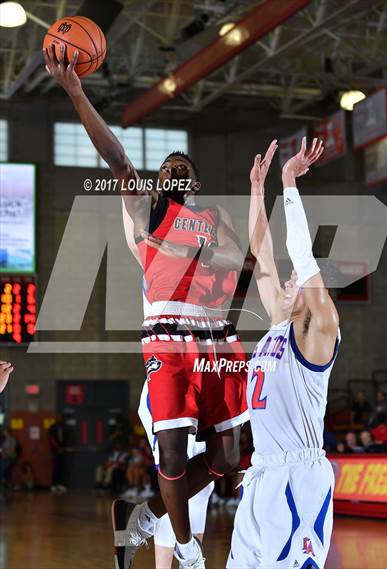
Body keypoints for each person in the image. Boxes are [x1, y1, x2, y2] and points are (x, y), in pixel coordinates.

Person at [43, 45, 248, 569]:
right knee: (176, 455)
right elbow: (117, 156)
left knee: (230, 459)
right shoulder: (144, 213)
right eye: (166, 168)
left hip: (219, 339)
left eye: (181, 166)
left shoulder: (216, 216)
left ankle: (144, 516)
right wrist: (76, 93)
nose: (172, 171)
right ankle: (186, 547)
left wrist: (202, 251)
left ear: (194, 183)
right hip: (168, 338)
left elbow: (235, 259)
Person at [227, 137, 340, 569]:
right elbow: (263, 253)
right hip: (261, 476)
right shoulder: (278, 322)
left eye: (298, 279)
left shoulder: (318, 334)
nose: (288, 280)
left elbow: (300, 255)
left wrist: (288, 181)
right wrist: (257, 190)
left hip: (300, 478)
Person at [139, 382, 214, 569]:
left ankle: (190, 561)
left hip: (201, 393)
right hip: (171, 391)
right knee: (175, 485)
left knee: (201, 486)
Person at [48, 416, 67, 493]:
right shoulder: (53, 427)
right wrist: (57, 448)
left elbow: (65, 438)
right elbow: (51, 438)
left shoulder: (63, 427)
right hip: (55, 450)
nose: (60, 419)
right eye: (58, 418)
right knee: (56, 467)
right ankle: (53, 485)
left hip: (62, 450)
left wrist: (64, 447)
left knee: (61, 467)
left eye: (61, 418)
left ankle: (60, 484)